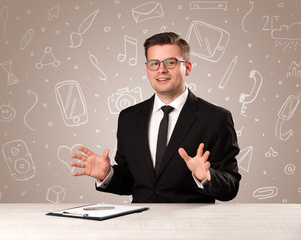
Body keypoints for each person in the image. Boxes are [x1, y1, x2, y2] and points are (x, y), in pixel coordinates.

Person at [70, 32, 241, 203]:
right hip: (140, 223)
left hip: (191, 225)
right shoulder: (129, 118)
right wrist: (108, 175)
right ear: (147, 69)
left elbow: (231, 187)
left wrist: (206, 176)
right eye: (154, 63)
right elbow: (130, 182)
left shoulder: (216, 118)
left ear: (187, 67)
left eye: (170, 62)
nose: (161, 69)